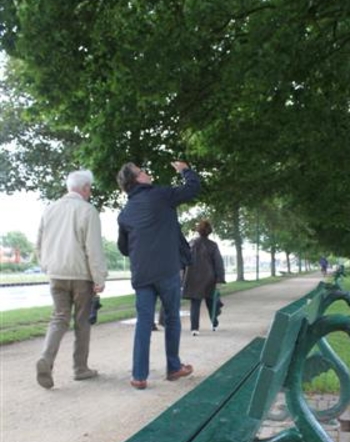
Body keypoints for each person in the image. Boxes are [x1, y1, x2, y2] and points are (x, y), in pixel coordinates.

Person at [116, 160, 201, 390]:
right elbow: (193, 187)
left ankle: (139, 375)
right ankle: (173, 367)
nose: (147, 173)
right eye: (142, 171)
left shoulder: (124, 214)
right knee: (172, 316)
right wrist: (184, 170)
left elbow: (123, 248)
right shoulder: (161, 195)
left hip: (142, 273)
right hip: (166, 268)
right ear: (137, 179)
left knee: (143, 321)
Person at [35, 169, 108, 389]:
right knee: (82, 322)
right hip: (80, 275)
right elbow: (93, 248)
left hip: (56, 273)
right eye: (90, 188)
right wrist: (99, 278)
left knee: (59, 318)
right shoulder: (88, 211)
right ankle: (80, 368)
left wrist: (46, 265)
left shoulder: (50, 210)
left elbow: (39, 243)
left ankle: (46, 359)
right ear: (85, 188)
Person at [182, 219, 225, 335]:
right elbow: (218, 263)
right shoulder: (213, 246)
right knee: (211, 302)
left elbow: (183, 261)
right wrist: (219, 279)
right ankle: (214, 323)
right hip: (209, 279)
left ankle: (194, 328)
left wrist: (182, 279)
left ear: (198, 231)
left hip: (193, 278)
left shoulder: (191, 244)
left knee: (195, 304)